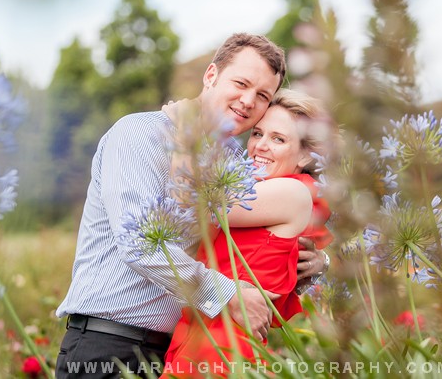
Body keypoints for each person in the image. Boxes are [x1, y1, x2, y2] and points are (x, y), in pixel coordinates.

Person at [55, 34, 328, 378]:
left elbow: (257, 246)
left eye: (262, 95)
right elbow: (139, 244)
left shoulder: (233, 162)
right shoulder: (138, 135)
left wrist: (317, 261)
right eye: (241, 83)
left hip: (183, 351)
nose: (247, 101)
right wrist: (228, 296)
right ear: (211, 75)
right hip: (110, 346)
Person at [160, 88, 335, 378]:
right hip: (204, 336)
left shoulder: (293, 192)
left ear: (305, 155)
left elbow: (198, 202)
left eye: (278, 139)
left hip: (225, 346)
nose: (260, 146)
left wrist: (183, 136)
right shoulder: (262, 191)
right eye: (257, 134)